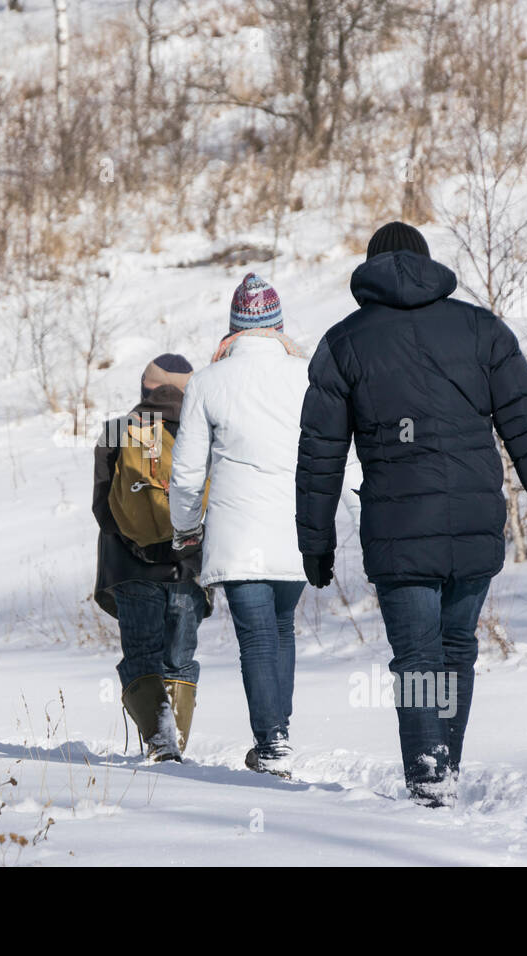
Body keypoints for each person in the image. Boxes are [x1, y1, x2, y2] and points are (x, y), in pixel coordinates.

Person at [295, 221, 527, 806]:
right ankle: (442, 775)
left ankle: (429, 782)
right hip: (473, 523)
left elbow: (320, 455)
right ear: (428, 263)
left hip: (399, 533)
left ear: (370, 270)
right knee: (457, 650)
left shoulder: (345, 342)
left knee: (418, 659)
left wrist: (314, 541)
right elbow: (526, 422)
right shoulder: (481, 329)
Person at [169, 274, 310, 776]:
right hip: (296, 528)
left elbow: (187, 472)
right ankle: (279, 737)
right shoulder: (307, 376)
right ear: (277, 325)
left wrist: (185, 528)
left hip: (237, 533)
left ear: (234, 327)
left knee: (257, 637)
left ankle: (272, 743)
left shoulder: (208, 381)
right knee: (281, 630)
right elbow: (333, 453)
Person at [93, 354, 212, 762]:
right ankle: (173, 743)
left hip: (130, 566)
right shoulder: (203, 432)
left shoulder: (116, 430)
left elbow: (103, 509)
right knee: (179, 659)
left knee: (142, 654)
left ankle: (161, 743)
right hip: (187, 565)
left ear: (145, 389)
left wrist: (137, 541)